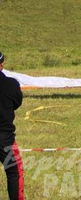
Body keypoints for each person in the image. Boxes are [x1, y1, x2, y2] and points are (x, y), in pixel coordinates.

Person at [0, 52, 24, 200]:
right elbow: (17, 103)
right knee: (14, 172)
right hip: (5, 140)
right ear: (1, 65)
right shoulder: (11, 84)